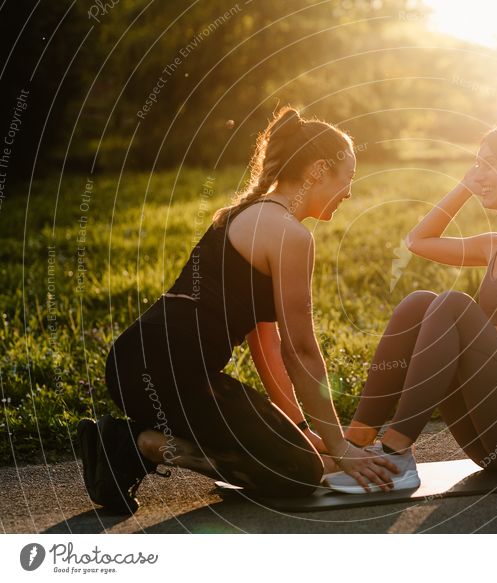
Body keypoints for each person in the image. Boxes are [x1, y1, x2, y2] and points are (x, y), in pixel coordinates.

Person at [77, 107, 399, 514]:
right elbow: (300, 349)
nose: (350, 192)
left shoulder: (243, 215)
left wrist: (301, 428)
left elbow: (267, 345)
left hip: (135, 367)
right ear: (318, 171)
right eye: (347, 178)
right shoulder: (289, 234)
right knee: (299, 472)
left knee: (301, 458)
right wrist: (338, 445)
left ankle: (134, 444)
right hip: (171, 373)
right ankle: (136, 446)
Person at [325, 121, 497, 493]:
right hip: (488, 438)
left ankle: (397, 452)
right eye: (476, 164)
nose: (479, 173)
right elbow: (418, 240)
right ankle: (356, 443)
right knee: (420, 303)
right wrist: (468, 185)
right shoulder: (493, 247)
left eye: (490, 164)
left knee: (453, 305)